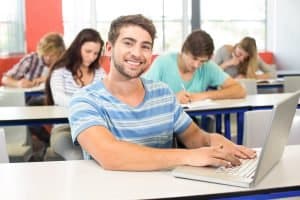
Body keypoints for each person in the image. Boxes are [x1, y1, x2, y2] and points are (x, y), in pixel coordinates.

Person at [68, 14, 256, 171]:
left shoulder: (162, 93)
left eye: (145, 46)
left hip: (169, 191)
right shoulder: (84, 100)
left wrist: (215, 142)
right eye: (128, 43)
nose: (137, 53)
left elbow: (194, 138)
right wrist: (189, 156)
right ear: (109, 48)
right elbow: (110, 155)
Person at [44, 28, 106, 160]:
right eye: (88, 51)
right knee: (76, 156)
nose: (91, 57)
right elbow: (59, 99)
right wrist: (91, 102)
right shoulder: (60, 71)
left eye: (96, 53)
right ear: (77, 48)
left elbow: (107, 98)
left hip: (93, 129)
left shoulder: (100, 72)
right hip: (65, 129)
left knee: (103, 155)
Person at [143, 29, 246, 104]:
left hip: (195, 124)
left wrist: (202, 96)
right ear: (183, 50)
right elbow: (141, 95)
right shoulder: (162, 63)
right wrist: (173, 98)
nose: (197, 65)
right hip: (166, 124)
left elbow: (239, 90)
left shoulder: (208, 66)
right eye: (194, 58)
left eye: (202, 61)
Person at [1, 32, 65, 90]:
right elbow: (5, 79)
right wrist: (18, 83)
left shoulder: (64, 62)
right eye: (46, 54)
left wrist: (49, 79)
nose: (48, 58)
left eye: (52, 55)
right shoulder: (32, 59)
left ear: (60, 53)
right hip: (33, 98)